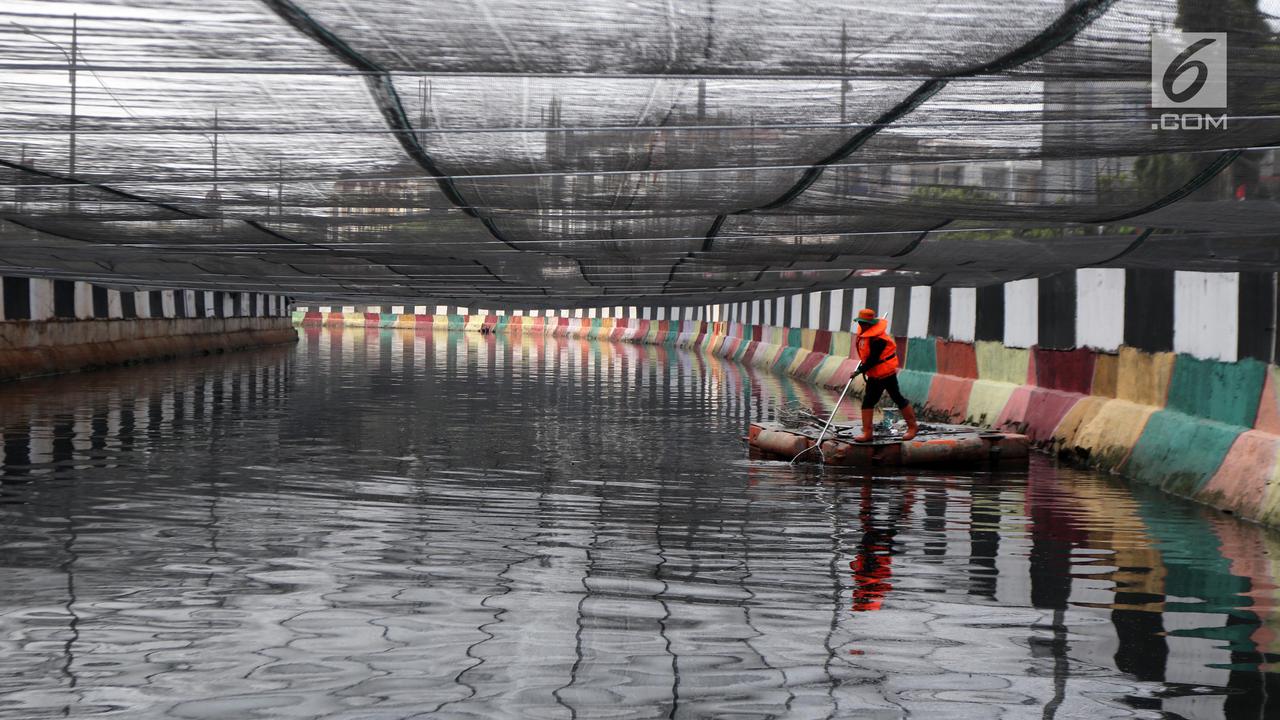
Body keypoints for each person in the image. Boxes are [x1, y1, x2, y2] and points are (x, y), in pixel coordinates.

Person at [852, 308, 918, 442]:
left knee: (897, 398)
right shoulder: (866, 336)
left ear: (870, 324)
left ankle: (912, 427)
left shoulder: (879, 340)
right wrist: (862, 368)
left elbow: (873, 359)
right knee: (868, 401)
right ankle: (867, 433)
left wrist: (859, 370)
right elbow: (867, 357)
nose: (861, 326)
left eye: (864, 324)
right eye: (860, 323)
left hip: (886, 374)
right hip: (874, 375)